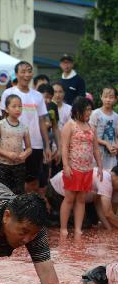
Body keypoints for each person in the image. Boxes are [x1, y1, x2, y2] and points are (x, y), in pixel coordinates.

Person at [0, 61, 51, 194]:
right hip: (13, 144)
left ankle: (28, 211)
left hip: (35, 144)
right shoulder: (8, 93)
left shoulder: (38, 96)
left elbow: (41, 121)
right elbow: (3, 120)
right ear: (16, 74)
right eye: (23, 71)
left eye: (29, 71)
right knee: (13, 182)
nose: (26, 74)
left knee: (32, 181)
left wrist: (47, 145)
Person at [60, 97, 101, 239]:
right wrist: (66, 165)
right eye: (87, 110)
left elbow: (96, 149)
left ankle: (78, 229)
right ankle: (64, 228)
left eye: (90, 109)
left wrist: (100, 167)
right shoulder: (69, 125)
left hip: (87, 168)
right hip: (73, 167)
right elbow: (64, 148)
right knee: (69, 198)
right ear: (78, 110)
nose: (89, 112)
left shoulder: (91, 127)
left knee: (82, 199)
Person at [47, 167, 118, 231]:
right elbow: (108, 213)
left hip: (67, 193)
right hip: (56, 191)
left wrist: (109, 228)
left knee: (89, 222)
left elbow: (99, 206)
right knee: (83, 224)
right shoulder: (105, 179)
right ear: (116, 177)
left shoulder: (106, 175)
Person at [0, 94, 31, 195]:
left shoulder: (24, 127)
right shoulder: (0, 124)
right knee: (3, 193)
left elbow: (29, 148)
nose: (18, 109)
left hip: (19, 165)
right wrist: (7, 154)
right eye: (14, 106)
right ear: (7, 109)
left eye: (20, 106)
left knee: (18, 193)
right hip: (3, 165)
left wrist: (25, 154)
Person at [90, 86, 118, 172]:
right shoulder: (95, 114)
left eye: (111, 97)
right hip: (97, 153)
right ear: (101, 97)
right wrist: (105, 143)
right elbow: (91, 134)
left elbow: (116, 136)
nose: (108, 99)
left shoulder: (116, 116)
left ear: (116, 99)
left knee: (110, 177)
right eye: (105, 96)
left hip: (111, 155)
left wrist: (117, 146)